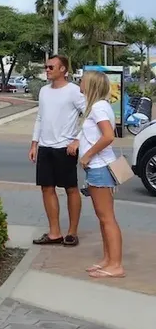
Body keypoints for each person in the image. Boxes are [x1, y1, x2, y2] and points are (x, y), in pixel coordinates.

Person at [29, 55, 86, 247]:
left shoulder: (74, 91)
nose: (47, 70)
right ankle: (54, 233)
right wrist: (34, 143)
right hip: (45, 147)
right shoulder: (44, 91)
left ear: (63, 69)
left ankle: (72, 232)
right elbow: (40, 117)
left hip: (65, 148)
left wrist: (77, 140)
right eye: (46, 67)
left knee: (71, 188)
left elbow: (90, 115)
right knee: (46, 188)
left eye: (51, 67)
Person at [73, 70, 124, 278]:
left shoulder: (98, 108)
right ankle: (108, 259)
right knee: (103, 218)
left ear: (92, 84)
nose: (80, 83)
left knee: (107, 218)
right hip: (100, 166)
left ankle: (116, 265)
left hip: (100, 166)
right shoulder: (98, 106)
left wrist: (87, 156)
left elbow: (108, 136)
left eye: (83, 80)